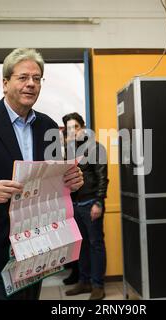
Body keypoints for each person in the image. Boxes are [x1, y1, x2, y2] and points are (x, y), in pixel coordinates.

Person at [0, 48, 84, 300]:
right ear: (5, 82)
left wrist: (70, 183)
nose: (31, 84)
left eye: (37, 78)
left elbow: (53, 179)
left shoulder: (49, 126)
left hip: (38, 243)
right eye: (23, 77)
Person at [63, 112, 109, 300]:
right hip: (75, 204)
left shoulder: (96, 148)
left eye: (76, 127)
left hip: (91, 203)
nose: (73, 131)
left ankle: (98, 286)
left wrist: (98, 202)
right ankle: (84, 282)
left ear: (83, 127)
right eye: (69, 129)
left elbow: (102, 178)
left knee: (96, 244)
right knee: (81, 246)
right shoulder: (70, 151)